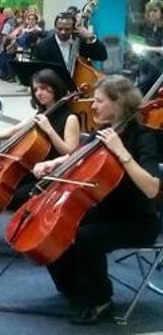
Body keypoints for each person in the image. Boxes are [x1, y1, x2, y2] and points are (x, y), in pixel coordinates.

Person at [31, 75, 160, 325]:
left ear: (118, 102)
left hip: (137, 220)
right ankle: (74, 287)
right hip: (106, 209)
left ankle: (101, 300)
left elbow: (152, 188)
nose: (93, 106)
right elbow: (80, 154)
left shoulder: (142, 136)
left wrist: (121, 152)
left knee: (87, 236)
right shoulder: (104, 131)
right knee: (58, 225)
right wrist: (53, 163)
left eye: (99, 101)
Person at [0, 68, 80, 210]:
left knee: (15, 197)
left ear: (55, 87)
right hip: (33, 169)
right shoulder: (41, 113)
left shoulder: (70, 118)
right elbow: (17, 129)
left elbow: (70, 153)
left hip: (53, 171)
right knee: (1, 190)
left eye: (43, 88)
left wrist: (50, 130)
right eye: (36, 89)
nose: (39, 93)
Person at [32, 12, 108, 73]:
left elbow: (102, 56)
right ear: (55, 27)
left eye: (67, 29)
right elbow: (38, 71)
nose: (63, 32)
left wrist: (91, 37)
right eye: (60, 29)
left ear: (74, 29)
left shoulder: (80, 43)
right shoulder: (43, 46)